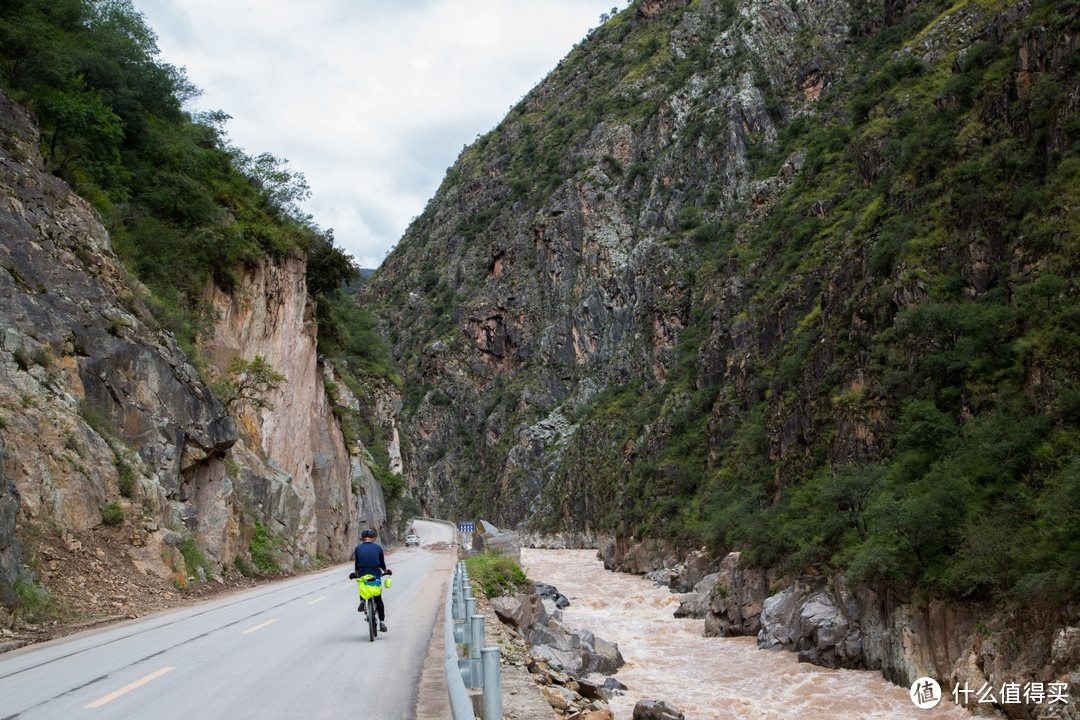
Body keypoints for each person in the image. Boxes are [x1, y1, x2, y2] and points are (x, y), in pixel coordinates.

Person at [351, 528, 391, 632]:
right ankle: (382, 622)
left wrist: (355, 574)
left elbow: (357, 563)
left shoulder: (358, 548)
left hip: (363, 572)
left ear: (362, 539)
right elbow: (382, 563)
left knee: (362, 585)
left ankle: (362, 601)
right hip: (375, 572)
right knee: (378, 599)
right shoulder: (378, 547)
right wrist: (386, 571)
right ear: (373, 539)